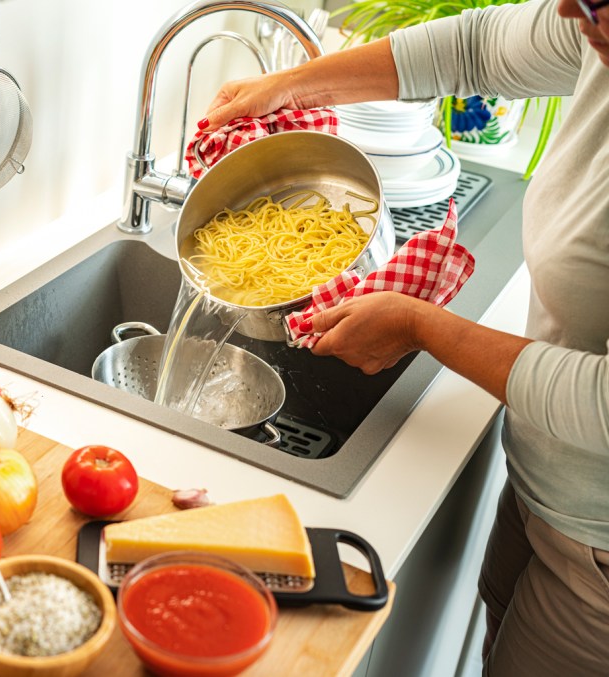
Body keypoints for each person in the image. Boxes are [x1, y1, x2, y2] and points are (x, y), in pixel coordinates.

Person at [198, 0, 609, 673]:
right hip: (545, 486)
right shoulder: (594, 29)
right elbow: (476, 48)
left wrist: (422, 324)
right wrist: (290, 85)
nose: (570, 8)